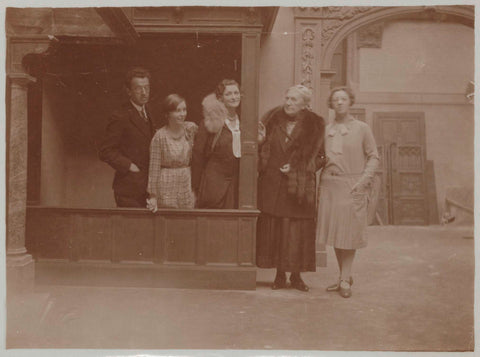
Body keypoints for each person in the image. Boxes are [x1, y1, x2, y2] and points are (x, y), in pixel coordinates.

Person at [256, 85, 326, 292]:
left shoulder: (315, 125)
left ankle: (296, 276)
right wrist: (260, 142)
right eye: (287, 98)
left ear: (305, 104)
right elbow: (260, 150)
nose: (288, 102)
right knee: (277, 229)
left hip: (299, 188)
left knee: (297, 232)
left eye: (294, 99)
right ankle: (279, 275)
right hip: (273, 184)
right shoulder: (271, 119)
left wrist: (298, 168)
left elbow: (322, 157)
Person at [316, 86, 379, 298]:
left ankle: (345, 278)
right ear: (331, 104)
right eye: (336, 100)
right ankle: (343, 275)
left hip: (352, 186)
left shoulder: (362, 128)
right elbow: (319, 158)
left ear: (350, 102)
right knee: (336, 233)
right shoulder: (326, 130)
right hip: (329, 186)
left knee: (349, 235)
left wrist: (363, 181)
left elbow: (374, 157)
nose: (340, 102)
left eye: (343, 99)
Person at [99, 67, 156, 207]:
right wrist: (130, 166)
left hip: (146, 187)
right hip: (129, 189)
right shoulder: (120, 116)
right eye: (138, 88)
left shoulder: (148, 112)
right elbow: (105, 151)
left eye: (147, 88)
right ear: (129, 91)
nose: (144, 93)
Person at [192, 79, 241, 209]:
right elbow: (198, 155)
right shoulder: (210, 122)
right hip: (214, 184)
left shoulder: (244, 122)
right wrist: (195, 188)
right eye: (229, 94)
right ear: (220, 99)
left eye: (236, 93)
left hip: (236, 185)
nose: (234, 97)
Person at [146, 94, 197, 211]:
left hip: (186, 183)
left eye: (184, 110)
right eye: (178, 111)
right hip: (166, 185)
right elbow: (154, 168)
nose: (182, 114)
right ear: (167, 114)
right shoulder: (159, 137)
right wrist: (152, 196)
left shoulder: (191, 130)